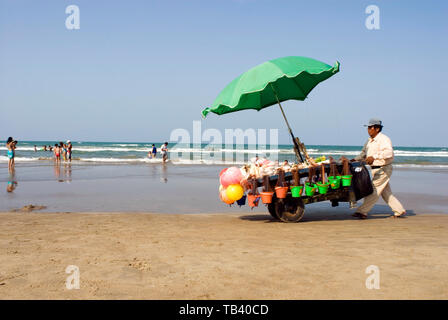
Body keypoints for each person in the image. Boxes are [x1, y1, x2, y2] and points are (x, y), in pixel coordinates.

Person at [351, 118, 406, 219]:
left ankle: (362, 211)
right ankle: (399, 210)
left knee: (373, 190)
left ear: (377, 129)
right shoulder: (369, 141)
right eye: (367, 128)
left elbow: (389, 153)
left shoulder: (384, 139)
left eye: (370, 127)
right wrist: (354, 160)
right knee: (386, 192)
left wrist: (374, 157)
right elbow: (363, 153)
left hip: (383, 169)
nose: (368, 130)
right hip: (375, 169)